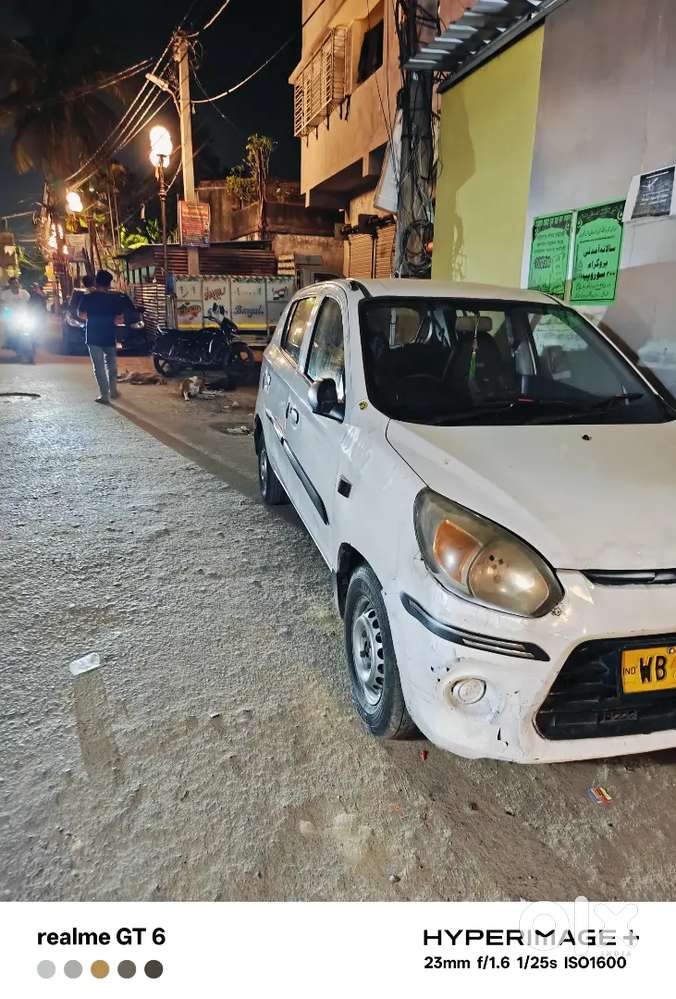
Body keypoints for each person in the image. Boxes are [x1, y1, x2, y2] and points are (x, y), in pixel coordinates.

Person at [78, 269, 127, 404]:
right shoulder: (114, 299)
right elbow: (120, 319)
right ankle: (114, 391)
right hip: (109, 336)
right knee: (112, 365)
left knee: (98, 367)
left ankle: (104, 395)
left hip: (93, 336)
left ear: (96, 282)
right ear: (109, 284)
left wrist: (93, 318)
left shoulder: (87, 297)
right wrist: (110, 319)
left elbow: (81, 315)